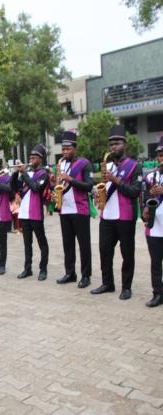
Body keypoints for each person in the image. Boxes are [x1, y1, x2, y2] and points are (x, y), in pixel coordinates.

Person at [91, 124, 142, 300]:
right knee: (104, 250)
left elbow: (135, 192)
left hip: (125, 216)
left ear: (125, 145)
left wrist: (116, 180)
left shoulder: (135, 166)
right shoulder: (107, 167)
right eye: (111, 144)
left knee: (127, 253)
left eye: (117, 143)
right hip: (107, 216)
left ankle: (126, 287)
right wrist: (97, 191)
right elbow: (101, 189)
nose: (113, 147)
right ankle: (107, 283)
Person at [54, 131, 93, 289]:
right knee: (67, 244)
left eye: (68, 148)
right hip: (65, 210)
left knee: (84, 245)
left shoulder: (84, 163)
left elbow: (89, 186)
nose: (65, 152)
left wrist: (70, 179)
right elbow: (58, 184)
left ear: (75, 148)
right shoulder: (60, 164)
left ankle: (86, 276)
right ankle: (70, 273)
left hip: (80, 209)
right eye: (63, 149)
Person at [11, 144, 49, 281]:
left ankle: (43, 270)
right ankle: (27, 269)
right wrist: (16, 173)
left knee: (42, 243)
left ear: (41, 158)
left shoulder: (43, 173)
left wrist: (23, 172)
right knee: (27, 243)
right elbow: (14, 187)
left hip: (36, 214)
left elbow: (35, 188)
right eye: (30, 157)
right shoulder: (26, 174)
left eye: (34, 158)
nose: (31, 159)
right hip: (24, 214)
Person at [143, 137, 163, 307]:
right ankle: (157, 293)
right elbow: (144, 199)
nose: (161, 158)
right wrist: (145, 209)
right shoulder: (151, 176)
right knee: (155, 263)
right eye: (159, 155)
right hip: (154, 226)